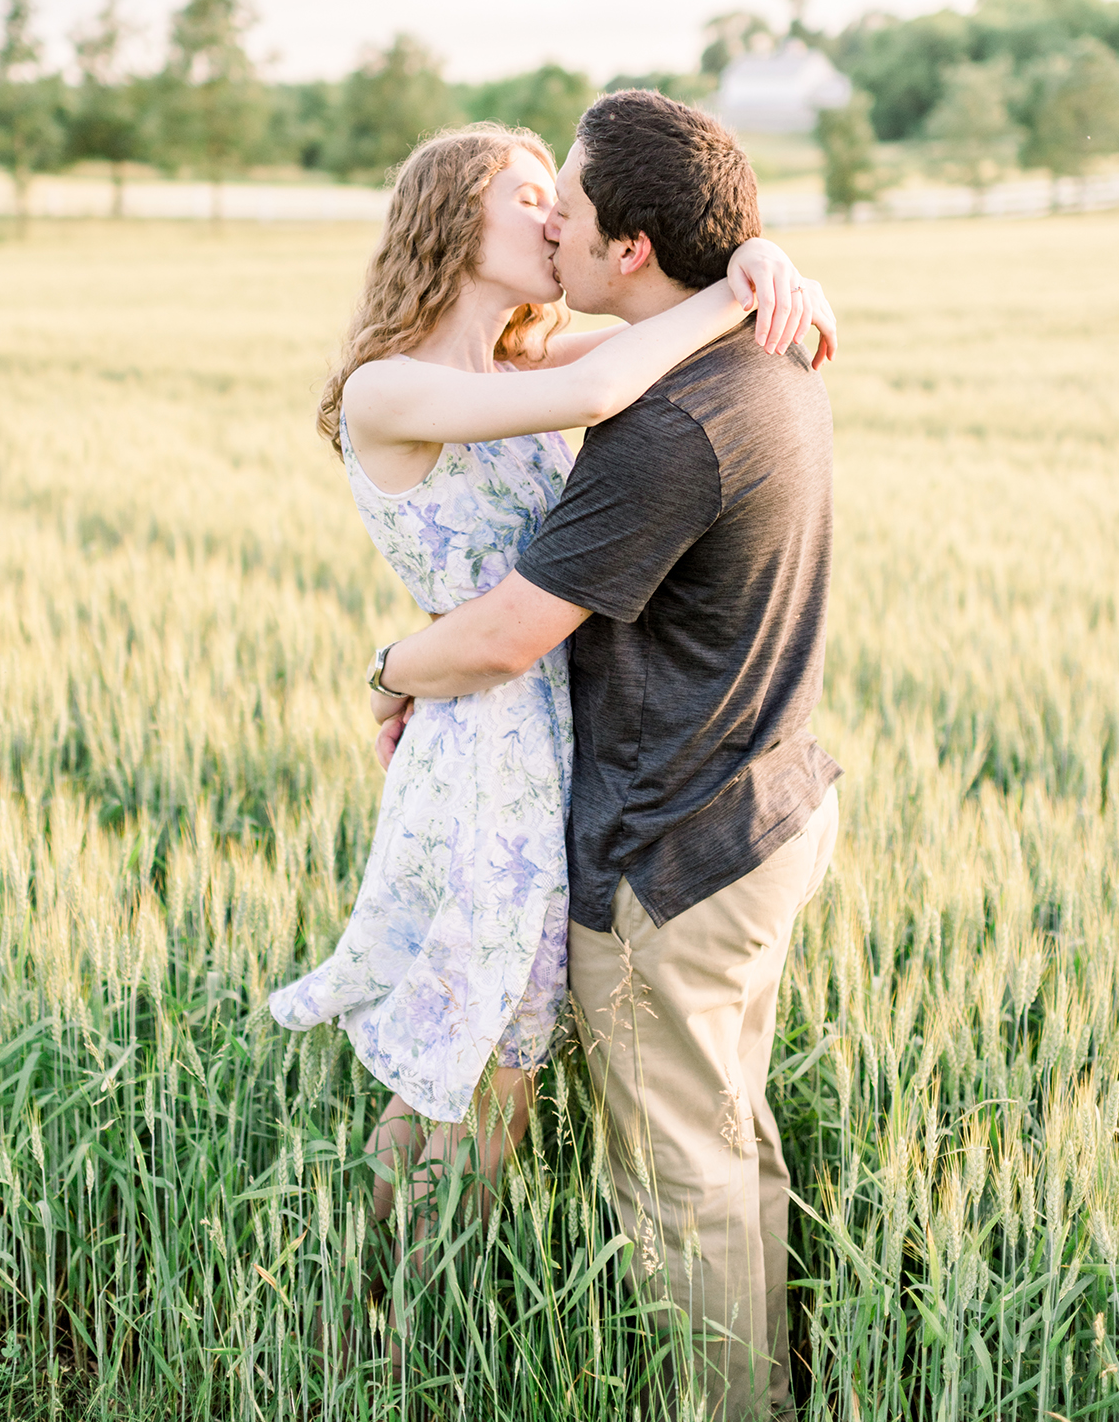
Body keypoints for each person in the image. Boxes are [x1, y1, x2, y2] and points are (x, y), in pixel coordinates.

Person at [269, 118, 831, 1255]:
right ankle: (377, 1304)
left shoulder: (519, 362)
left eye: (556, 197)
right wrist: (740, 283)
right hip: (488, 737)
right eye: (524, 195)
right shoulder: (390, 387)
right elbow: (611, 388)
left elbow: (641, 351)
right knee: (472, 1042)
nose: (554, 216)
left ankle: (419, 1294)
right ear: (446, 216)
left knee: (503, 1047)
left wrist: (760, 259)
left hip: (551, 724)